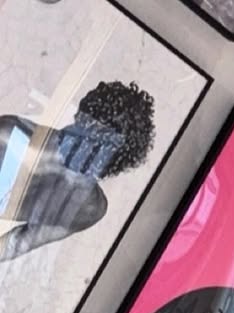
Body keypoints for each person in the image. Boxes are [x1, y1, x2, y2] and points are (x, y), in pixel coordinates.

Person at [0, 80, 156, 260]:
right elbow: (16, 244)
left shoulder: (10, 133)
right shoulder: (90, 207)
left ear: (82, 115)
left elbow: (17, 244)